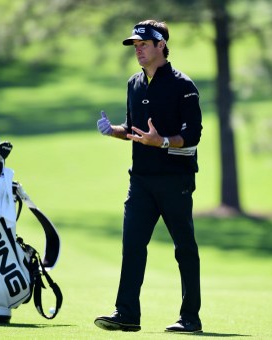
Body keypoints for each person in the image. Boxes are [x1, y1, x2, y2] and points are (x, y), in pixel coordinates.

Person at [93, 19, 203, 333]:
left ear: (161, 46)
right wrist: (113, 131)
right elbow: (133, 129)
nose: (138, 50)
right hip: (140, 180)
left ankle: (190, 318)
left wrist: (163, 141)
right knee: (132, 246)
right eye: (135, 46)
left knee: (184, 248)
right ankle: (127, 314)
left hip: (175, 180)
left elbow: (193, 135)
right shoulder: (134, 84)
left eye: (144, 45)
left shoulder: (184, 87)